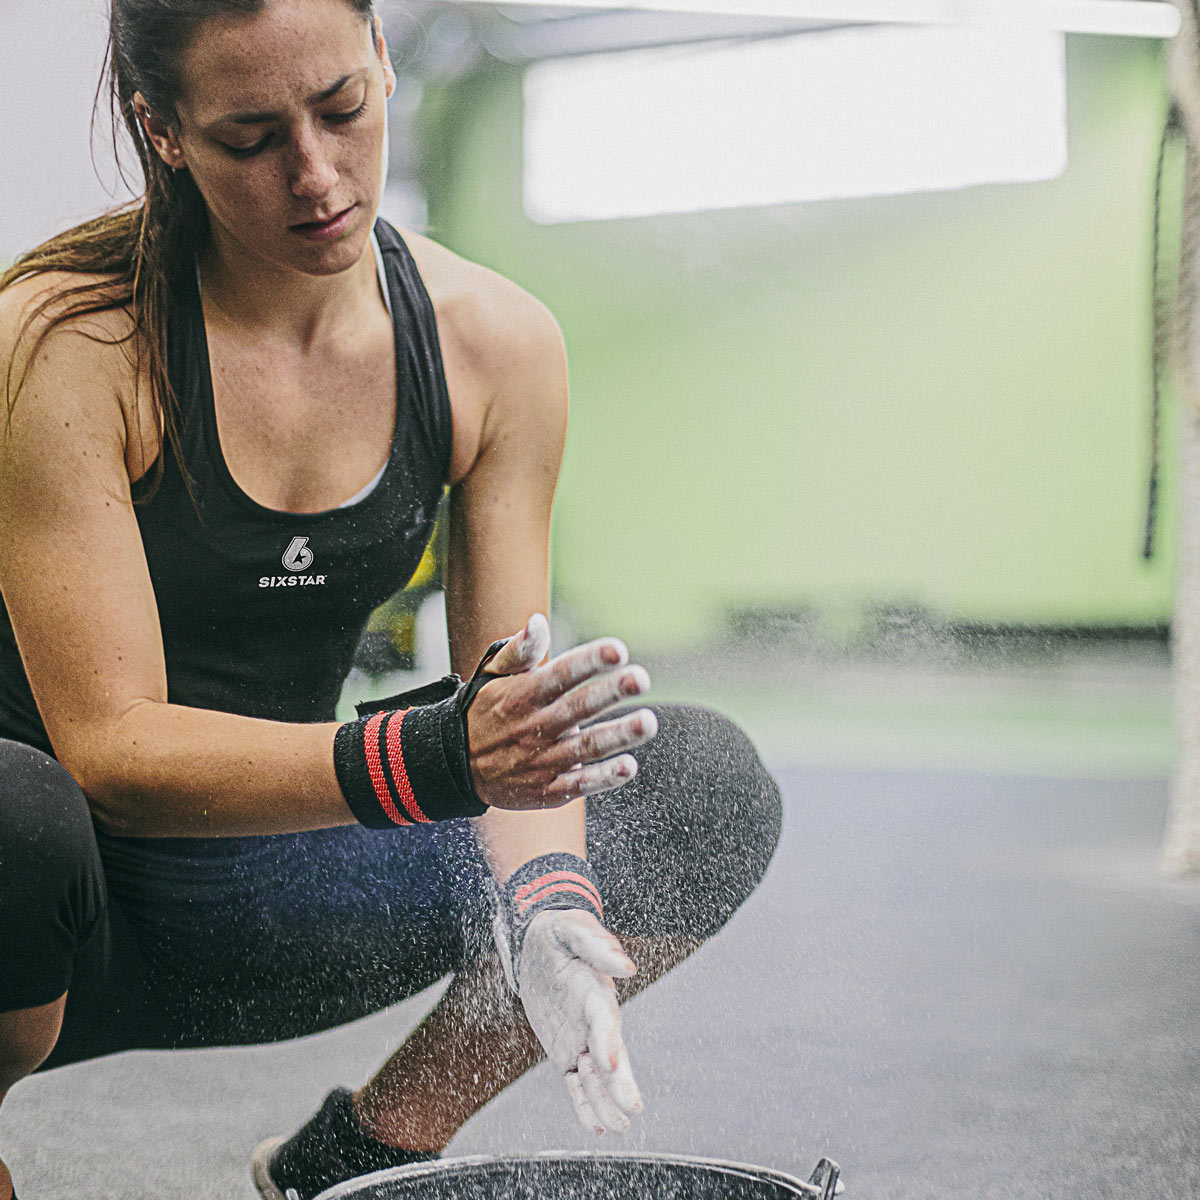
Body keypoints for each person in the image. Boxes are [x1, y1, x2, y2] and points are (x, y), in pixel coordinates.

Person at [0, 2, 783, 1198]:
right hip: (50, 915)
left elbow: (511, 713)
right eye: (251, 138)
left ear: (381, 61)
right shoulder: (67, 344)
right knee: (20, 813)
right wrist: (440, 756)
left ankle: (353, 1159)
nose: (315, 176)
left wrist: (549, 906)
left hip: (267, 904)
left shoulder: (494, 345)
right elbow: (112, 751)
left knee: (700, 786)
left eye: (341, 109)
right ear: (163, 130)